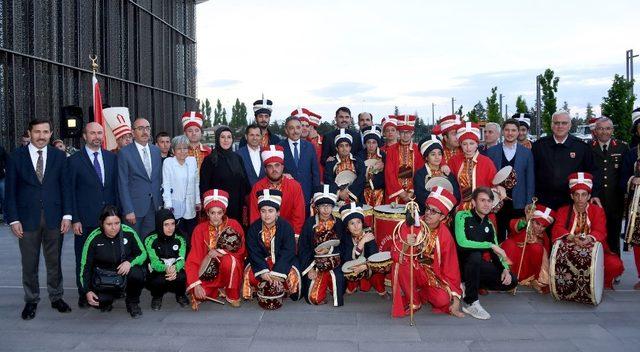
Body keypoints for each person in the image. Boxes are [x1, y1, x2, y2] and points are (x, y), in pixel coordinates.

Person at [5, 118, 72, 320]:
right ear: (29, 133)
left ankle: (56, 296)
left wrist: (67, 215)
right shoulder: (16, 156)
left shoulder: (60, 157)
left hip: (54, 217)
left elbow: (65, 188)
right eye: (37, 132)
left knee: (54, 261)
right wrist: (13, 219)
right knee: (29, 263)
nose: (41, 136)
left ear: (51, 133)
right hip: (26, 220)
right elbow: (10, 192)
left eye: (45, 132)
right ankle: (31, 300)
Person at [67, 122, 119, 308]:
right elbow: (70, 192)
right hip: (85, 219)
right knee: (84, 257)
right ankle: (84, 292)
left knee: (107, 256)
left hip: (109, 220)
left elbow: (115, 188)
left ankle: (106, 289)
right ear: (84, 136)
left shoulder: (111, 158)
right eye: (92, 133)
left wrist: (116, 216)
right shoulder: (74, 161)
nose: (97, 136)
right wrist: (75, 219)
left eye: (99, 133)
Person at [391, 186, 464, 318]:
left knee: (443, 301)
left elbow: (451, 268)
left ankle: (420, 292)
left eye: (434, 211)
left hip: (432, 275)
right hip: (413, 270)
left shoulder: (446, 236)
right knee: (402, 263)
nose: (428, 213)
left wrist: (456, 301)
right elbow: (395, 254)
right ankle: (414, 301)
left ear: (443, 217)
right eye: (428, 208)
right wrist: (406, 245)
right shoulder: (412, 225)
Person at [551, 172, 624, 289]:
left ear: (589, 196)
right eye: (577, 195)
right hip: (570, 251)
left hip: (593, 251)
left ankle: (599, 284)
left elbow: (601, 231)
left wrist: (589, 239)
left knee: (615, 264)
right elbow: (557, 228)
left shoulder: (597, 211)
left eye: (584, 195)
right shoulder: (563, 210)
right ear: (572, 196)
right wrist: (572, 238)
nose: (580, 199)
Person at [454, 187, 517, 320]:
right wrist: (490, 245)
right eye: (482, 200)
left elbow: (495, 254)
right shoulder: (462, 216)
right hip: (456, 265)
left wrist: (505, 269)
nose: (486, 204)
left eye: (489, 201)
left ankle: (469, 285)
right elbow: (462, 242)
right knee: (475, 255)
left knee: (511, 281)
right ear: (474, 202)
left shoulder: (489, 224)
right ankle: (471, 302)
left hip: (474, 267)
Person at [79, 206, 147, 318]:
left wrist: (129, 263)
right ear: (102, 223)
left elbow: (143, 254)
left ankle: (132, 303)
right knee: (98, 302)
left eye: (117, 223)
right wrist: (87, 291)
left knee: (137, 273)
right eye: (109, 224)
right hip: (103, 278)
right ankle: (110, 298)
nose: (114, 227)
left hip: (123, 273)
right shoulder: (93, 238)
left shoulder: (129, 232)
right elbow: (84, 266)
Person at [186, 189, 246, 307]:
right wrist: (196, 284)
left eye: (219, 213)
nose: (216, 217)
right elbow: (193, 258)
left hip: (229, 269)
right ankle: (217, 289)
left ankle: (231, 292)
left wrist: (220, 252)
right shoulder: (199, 229)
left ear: (224, 212)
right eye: (212, 213)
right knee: (197, 293)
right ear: (207, 213)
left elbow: (241, 251)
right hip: (208, 275)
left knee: (230, 261)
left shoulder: (234, 225)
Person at [532, 110, 600, 209]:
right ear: (551, 125)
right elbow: (531, 173)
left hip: (572, 201)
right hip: (543, 201)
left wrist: (594, 194)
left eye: (564, 123)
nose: (560, 126)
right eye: (556, 123)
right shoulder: (539, 146)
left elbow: (593, 172)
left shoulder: (581, 147)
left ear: (570, 125)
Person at [243, 189, 301, 306]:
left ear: (278, 212)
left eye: (271, 211)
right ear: (259, 212)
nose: (267, 215)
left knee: (293, 276)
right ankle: (258, 290)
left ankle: (284, 290)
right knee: (249, 275)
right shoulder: (253, 228)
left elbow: (288, 251)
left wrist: (277, 273)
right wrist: (263, 271)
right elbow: (253, 252)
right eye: (263, 211)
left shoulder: (286, 227)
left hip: (282, 261)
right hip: (261, 262)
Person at [486, 119, 535, 242]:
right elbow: (487, 177)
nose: (510, 133)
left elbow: (530, 178)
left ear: (518, 132)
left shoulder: (526, 153)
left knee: (518, 234)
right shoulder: (492, 152)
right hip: (497, 201)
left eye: (513, 130)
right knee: (498, 234)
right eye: (507, 130)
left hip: (518, 201)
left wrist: (529, 201)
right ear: (502, 132)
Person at [299, 184, 346, 306]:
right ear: (317, 207)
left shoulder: (338, 223)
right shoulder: (309, 223)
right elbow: (303, 247)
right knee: (313, 299)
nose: (326, 209)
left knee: (338, 280)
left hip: (334, 262)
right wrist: (309, 269)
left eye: (329, 206)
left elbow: (344, 245)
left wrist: (330, 249)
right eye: (322, 206)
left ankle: (332, 285)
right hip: (314, 262)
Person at [118, 117, 163, 238]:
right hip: (134, 209)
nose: (145, 131)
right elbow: (123, 183)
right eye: (140, 128)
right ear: (133, 133)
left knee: (150, 243)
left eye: (147, 128)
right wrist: (128, 210)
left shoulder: (155, 151)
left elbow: (158, 178)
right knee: (133, 245)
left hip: (153, 207)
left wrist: (159, 203)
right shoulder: (125, 153)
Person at [248, 145, 306, 236]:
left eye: (277, 165)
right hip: (264, 236)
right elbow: (255, 217)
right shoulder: (257, 187)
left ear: (282, 167)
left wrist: (295, 236)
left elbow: (299, 215)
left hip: (288, 235)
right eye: (270, 166)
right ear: (265, 169)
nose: (274, 170)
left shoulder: (295, 186)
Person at [591, 117, 628, 256]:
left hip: (615, 198)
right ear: (595, 131)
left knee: (614, 233)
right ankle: (597, 265)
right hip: (595, 199)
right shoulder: (589, 147)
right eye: (600, 128)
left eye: (607, 128)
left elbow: (625, 172)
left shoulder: (622, 147)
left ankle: (615, 267)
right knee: (596, 233)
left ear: (612, 130)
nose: (604, 132)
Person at [200, 126, 250, 224]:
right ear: (217, 139)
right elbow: (204, 186)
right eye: (222, 137)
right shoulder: (210, 160)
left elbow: (244, 182)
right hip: (217, 208)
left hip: (236, 206)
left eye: (229, 137)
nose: (226, 140)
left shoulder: (237, 158)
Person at [500, 204, 554, 293]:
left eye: (543, 226)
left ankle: (533, 280)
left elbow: (544, 258)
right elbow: (513, 225)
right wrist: (526, 220)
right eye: (537, 223)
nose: (539, 228)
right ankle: (508, 278)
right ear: (532, 220)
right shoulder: (524, 224)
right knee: (509, 244)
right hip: (514, 258)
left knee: (537, 248)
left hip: (528, 266)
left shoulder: (544, 238)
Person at [144, 209, 189, 310]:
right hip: (159, 270)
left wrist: (175, 268)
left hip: (175, 269)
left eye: (173, 224)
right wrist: (166, 268)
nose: (170, 228)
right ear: (160, 225)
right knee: (157, 280)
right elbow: (154, 262)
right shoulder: (150, 239)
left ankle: (180, 295)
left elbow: (182, 259)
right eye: (166, 225)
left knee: (182, 276)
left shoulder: (180, 238)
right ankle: (157, 297)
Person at [339, 203, 387, 298]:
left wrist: (365, 266)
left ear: (362, 223)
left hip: (367, 268)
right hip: (352, 267)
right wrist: (361, 244)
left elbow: (374, 256)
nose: (356, 226)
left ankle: (381, 290)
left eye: (358, 222)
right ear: (347, 226)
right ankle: (352, 286)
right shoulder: (345, 238)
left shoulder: (368, 235)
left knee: (378, 274)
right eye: (352, 223)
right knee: (347, 273)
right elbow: (346, 258)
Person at [448, 122, 497, 211]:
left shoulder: (487, 162)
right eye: (464, 144)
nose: (468, 147)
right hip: (460, 210)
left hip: (482, 210)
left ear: (477, 144)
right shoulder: (454, 161)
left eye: (471, 143)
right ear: (460, 144)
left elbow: (494, 185)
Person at [162, 135, 201, 245]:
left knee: (191, 235)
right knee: (177, 236)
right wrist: (168, 206)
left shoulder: (192, 161)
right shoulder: (168, 163)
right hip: (175, 205)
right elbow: (166, 184)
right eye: (179, 148)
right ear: (173, 150)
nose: (182, 151)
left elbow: (196, 182)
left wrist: (197, 201)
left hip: (191, 204)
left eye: (185, 148)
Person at [279, 116, 321, 208]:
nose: (295, 131)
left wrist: (316, 194)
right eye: (291, 128)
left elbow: (315, 172)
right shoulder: (279, 147)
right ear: (286, 130)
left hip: (307, 196)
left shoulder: (310, 147)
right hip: (286, 196)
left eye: (298, 127)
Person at [384, 114, 425, 204]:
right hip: (395, 192)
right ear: (398, 133)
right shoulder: (391, 150)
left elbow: (420, 172)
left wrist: (411, 191)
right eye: (402, 132)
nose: (405, 135)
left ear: (412, 133)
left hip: (413, 192)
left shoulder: (418, 149)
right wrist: (401, 193)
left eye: (408, 132)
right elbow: (389, 173)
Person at [413, 136, 460, 213]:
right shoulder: (420, 174)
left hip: (446, 214)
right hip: (427, 213)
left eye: (439, 154)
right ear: (426, 157)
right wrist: (440, 203)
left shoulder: (447, 173)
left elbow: (456, 195)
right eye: (433, 154)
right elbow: (420, 195)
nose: (437, 157)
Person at [325, 129, 366, 204]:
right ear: (337, 148)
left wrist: (349, 193)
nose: (344, 149)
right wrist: (339, 193)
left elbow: (361, 179)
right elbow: (328, 180)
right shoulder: (330, 163)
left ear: (350, 147)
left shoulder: (358, 161)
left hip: (356, 197)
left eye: (347, 145)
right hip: (337, 199)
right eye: (341, 146)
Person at [359, 125, 386, 207]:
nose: (371, 146)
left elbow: (385, 176)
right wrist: (374, 169)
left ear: (377, 143)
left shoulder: (383, 156)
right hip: (363, 193)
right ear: (365, 143)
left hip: (380, 193)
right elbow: (359, 174)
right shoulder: (359, 156)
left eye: (374, 142)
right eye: (368, 142)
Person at [297, 108, 324, 181]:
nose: (304, 128)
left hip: (317, 180)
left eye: (307, 126)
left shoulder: (321, 142)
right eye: (301, 126)